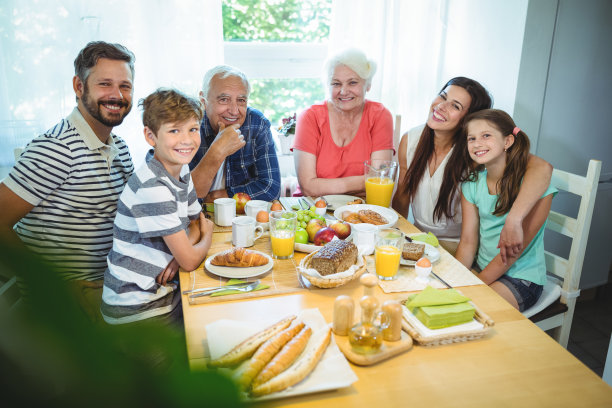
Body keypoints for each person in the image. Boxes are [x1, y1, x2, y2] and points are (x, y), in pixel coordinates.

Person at [0, 41, 135, 319]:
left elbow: (135, 214)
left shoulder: (120, 146)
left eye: (125, 86)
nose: (117, 95)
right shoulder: (56, 148)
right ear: (79, 86)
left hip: (110, 287)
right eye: (105, 84)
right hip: (69, 304)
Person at [392, 77, 553, 258]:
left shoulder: (476, 151)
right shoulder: (410, 139)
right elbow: (402, 197)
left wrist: (514, 219)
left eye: (455, 106)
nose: (441, 106)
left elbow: (542, 168)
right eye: (443, 97)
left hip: (459, 248)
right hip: (420, 240)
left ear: (467, 120)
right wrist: (397, 237)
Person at [101, 89, 213, 325]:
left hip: (163, 295)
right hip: (137, 310)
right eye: (174, 130)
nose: (186, 140)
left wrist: (178, 256)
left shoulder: (180, 167)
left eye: (193, 129)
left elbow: (194, 223)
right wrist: (206, 235)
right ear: (151, 136)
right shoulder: (153, 187)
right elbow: (193, 255)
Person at [455, 109, 556, 311]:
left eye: (486, 136)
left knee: (469, 311)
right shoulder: (471, 185)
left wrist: (476, 286)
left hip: (521, 278)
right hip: (483, 268)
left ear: (507, 142)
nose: (477, 143)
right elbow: (467, 243)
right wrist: (455, 280)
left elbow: (512, 253)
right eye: (471, 138)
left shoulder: (534, 189)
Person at [292, 48, 394, 197]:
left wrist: (323, 184)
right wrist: (364, 181)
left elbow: (378, 179)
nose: (344, 91)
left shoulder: (380, 116)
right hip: (313, 209)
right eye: (336, 84)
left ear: (368, 85)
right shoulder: (309, 117)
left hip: (360, 210)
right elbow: (309, 188)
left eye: (352, 83)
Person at [188, 65, 281, 202]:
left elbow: (271, 188)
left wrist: (222, 196)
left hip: (243, 216)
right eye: (224, 99)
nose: (234, 110)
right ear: (203, 101)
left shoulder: (257, 123)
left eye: (241, 100)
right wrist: (218, 150)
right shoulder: (189, 127)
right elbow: (184, 195)